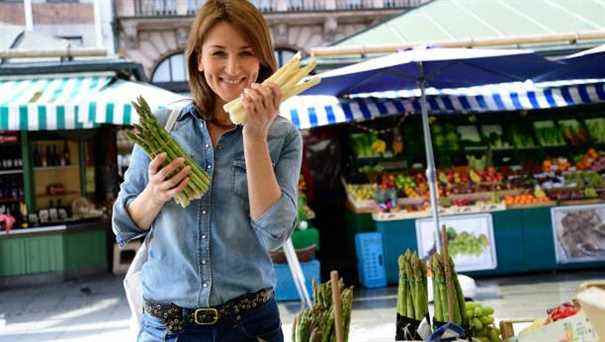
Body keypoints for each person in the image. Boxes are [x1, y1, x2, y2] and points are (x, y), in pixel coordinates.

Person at [112, 1, 302, 341]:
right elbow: (123, 226)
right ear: (199, 59)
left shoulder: (282, 136)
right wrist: (155, 193)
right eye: (218, 53)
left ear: (262, 59)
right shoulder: (161, 126)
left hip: (249, 326)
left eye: (246, 53)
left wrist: (254, 135)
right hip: (166, 329)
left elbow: (275, 235)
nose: (232, 67)